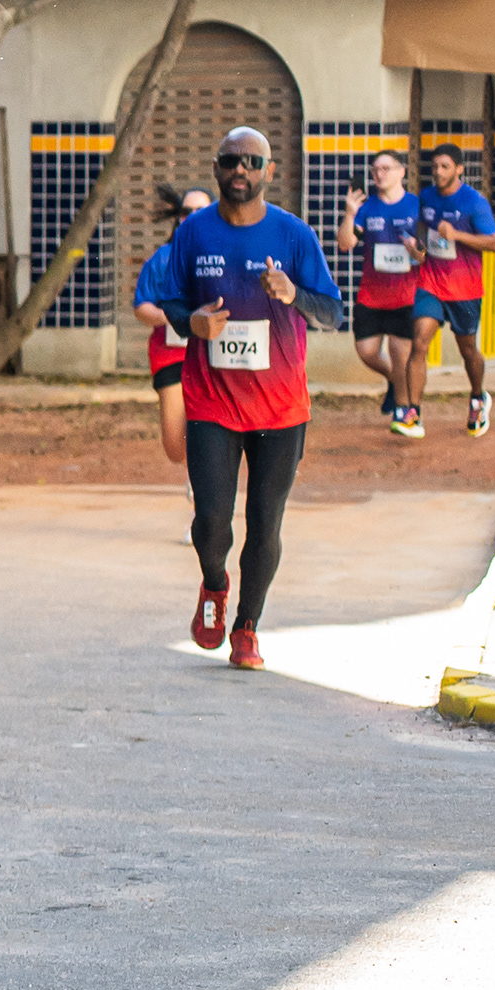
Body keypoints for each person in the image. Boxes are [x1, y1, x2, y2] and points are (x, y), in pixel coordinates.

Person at [136, 124, 343, 671]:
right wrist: (192, 322)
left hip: (280, 406)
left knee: (265, 522)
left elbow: (332, 311)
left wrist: (294, 294)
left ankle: (247, 627)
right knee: (211, 522)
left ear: (269, 171)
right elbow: (168, 300)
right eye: (231, 161)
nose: (241, 171)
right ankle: (214, 582)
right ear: (217, 168)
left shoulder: (294, 235)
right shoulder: (195, 232)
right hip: (212, 402)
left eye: (252, 161)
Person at [413, 141, 495, 437]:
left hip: (465, 288)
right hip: (431, 281)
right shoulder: (426, 196)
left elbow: (493, 243)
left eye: (444, 167)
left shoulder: (474, 202)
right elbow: (422, 225)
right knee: (419, 341)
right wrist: (419, 246)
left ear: (459, 169)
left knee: (468, 349)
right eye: (435, 166)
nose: (438, 172)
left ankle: (478, 397)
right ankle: (412, 413)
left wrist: (457, 235)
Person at [341, 149, 427, 435]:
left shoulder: (416, 206)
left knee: (400, 353)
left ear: (401, 171)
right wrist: (350, 213)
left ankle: (405, 412)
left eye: (386, 168)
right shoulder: (367, 208)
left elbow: (427, 253)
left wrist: (417, 252)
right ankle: (396, 382)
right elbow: (345, 243)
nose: (379, 174)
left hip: (407, 295)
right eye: (375, 169)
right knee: (366, 352)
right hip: (371, 295)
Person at [150, 185, 211, 475]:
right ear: (179, 216)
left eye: (202, 211)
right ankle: (195, 474)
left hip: (216, 355)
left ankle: (206, 487)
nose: (194, 216)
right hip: (172, 353)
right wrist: (177, 317)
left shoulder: (228, 255)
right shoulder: (163, 258)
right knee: (175, 445)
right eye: (188, 211)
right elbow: (141, 306)